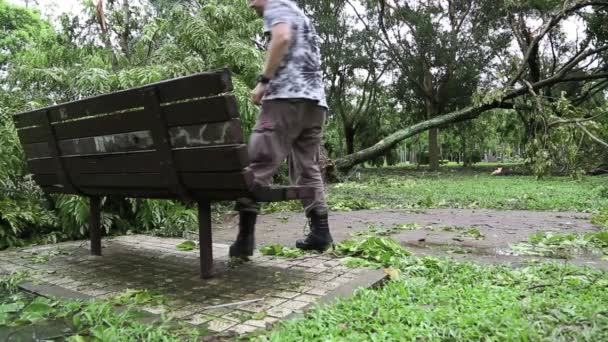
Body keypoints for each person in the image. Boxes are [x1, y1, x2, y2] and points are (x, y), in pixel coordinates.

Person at [229, 0, 333, 258]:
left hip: (286, 100)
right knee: (307, 166)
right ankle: (321, 232)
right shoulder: (298, 12)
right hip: (315, 103)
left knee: (256, 164)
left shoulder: (276, 5)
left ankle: (245, 238)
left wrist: (264, 82)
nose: (248, 2)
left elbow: (282, 37)